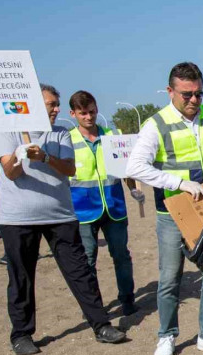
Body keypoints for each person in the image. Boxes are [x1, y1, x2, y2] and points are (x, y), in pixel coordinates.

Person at [127, 62, 203, 355]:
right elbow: (136, 167)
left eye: (199, 93)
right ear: (170, 91)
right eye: (186, 94)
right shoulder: (156, 124)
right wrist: (180, 183)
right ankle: (166, 336)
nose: (194, 100)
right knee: (170, 278)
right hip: (173, 213)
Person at [0, 83, 127, 355]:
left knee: (80, 272)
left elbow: (68, 168)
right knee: (21, 277)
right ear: (32, 105)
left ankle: (101, 325)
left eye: (56, 104)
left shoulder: (61, 134)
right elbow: (10, 173)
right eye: (51, 104)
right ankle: (21, 334)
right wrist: (20, 155)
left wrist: (44, 157)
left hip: (60, 215)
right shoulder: (8, 132)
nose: (56, 109)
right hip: (18, 219)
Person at [67, 90, 141, 316]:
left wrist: (133, 188)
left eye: (91, 112)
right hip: (83, 210)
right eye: (83, 113)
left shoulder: (112, 136)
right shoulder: (68, 140)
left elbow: (125, 168)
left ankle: (127, 298)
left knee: (121, 255)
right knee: (87, 260)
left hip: (115, 206)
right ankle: (93, 305)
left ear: (97, 110)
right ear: (73, 114)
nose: (88, 117)